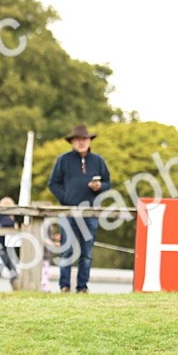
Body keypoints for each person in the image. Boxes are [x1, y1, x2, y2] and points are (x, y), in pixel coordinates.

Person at [47, 124, 111, 293]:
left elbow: (107, 183)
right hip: (68, 212)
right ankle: (64, 286)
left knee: (86, 253)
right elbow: (53, 183)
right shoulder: (63, 160)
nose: (81, 143)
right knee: (66, 250)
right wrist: (66, 199)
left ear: (89, 141)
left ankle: (82, 287)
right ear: (72, 142)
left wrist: (100, 187)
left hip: (90, 213)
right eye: (78, 140)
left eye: (84, 139)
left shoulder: (98, 161)